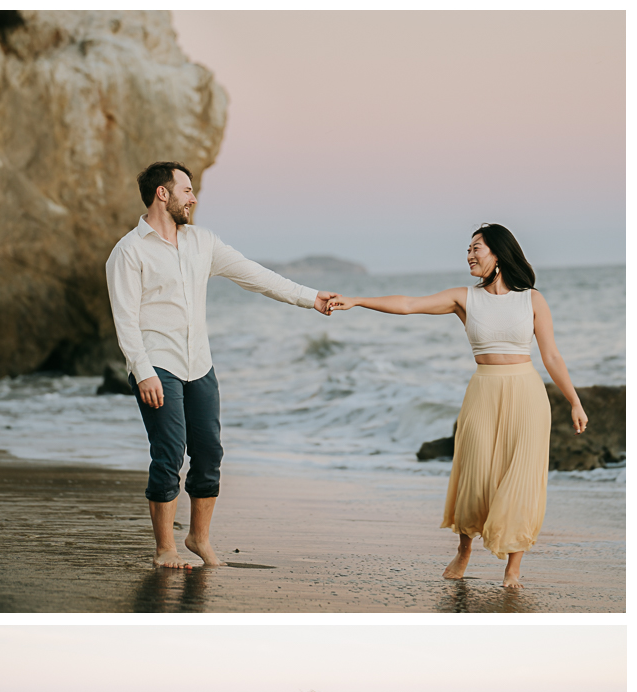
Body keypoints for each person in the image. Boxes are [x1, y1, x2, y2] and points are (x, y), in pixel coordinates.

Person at [327, 223, 589, 589]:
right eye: (468, 249)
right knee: (474, 474)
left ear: (498, 253)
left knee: (522, 476)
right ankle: (464, 548)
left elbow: (552, 355)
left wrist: (574, 401)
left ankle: (513, 567)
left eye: (476, 248)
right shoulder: (464, 298)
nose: (469, 255)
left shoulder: (531, 299)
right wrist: (357, 300)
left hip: (527, 394)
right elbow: (408, 305)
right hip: (483, 391)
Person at [106, 161, 337, 570]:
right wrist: (141, 370)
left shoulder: (202, 242)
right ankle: (165, 549)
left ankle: (198, 537)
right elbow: (125, 318)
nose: (193, 198)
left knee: (210, 453)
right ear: (163, 193)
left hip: (200, 364)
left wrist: (310, 296)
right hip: (157, 364)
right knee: (169, 453)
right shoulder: (128, 251)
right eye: (186, 190)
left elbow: (255, 275)